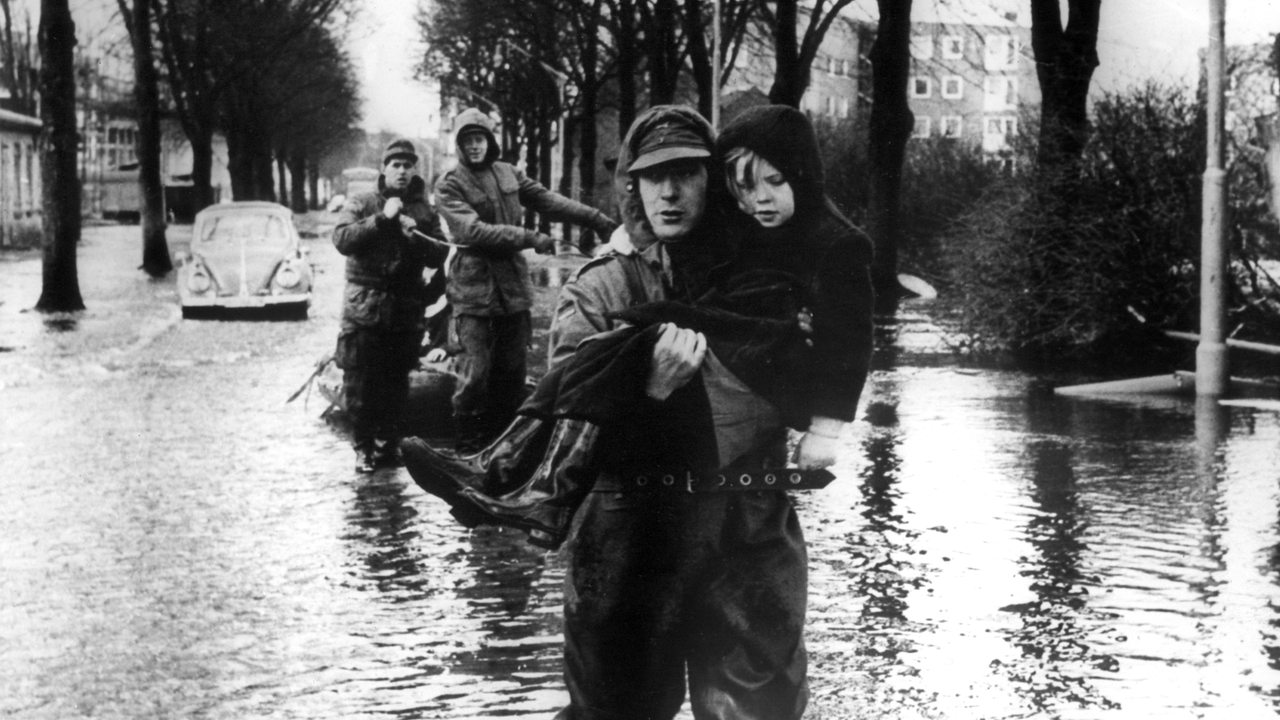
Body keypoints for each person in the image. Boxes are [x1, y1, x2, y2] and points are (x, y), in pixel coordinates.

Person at [402, 104, 874, 553]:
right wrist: (650, 391)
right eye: (652, 177)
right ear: (634, 187)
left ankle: (515, 477)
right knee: (616, 348)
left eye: (687, 174)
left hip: (746, 539)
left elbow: (818, 361)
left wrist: (817, 396)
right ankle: (507, 471)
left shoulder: (749, 254)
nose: (669, 193)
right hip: (632, 543)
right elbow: (576, 407)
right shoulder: (603, 283)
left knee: (632, 338)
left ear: (712, 185)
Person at [434, 108, 618, 452]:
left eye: (480, 139)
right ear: (459, 146)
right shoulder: (449, 185)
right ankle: (468, 446)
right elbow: (472, 230)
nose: (475, 147)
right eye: (467, 141)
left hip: (512, 290)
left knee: (512, 372)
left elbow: (548, 201)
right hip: (473, 290)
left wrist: (596, 219)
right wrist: (528, 237)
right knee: (474, 375)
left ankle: (503, 447)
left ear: (490, 141)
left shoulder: (509, 173)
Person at [333, 138, 450, 474]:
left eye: (407, 165)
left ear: (414, 170)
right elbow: (341, 239)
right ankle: (363, 448)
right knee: (361, 383)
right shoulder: (362, 201)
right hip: (364, 309)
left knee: (396, 383)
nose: (402, 171)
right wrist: (381, 221)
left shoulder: (424, 210)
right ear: (384, 169)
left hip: (404, 310)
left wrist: (416, 236)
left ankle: (387, 445)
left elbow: (441, 251)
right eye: (395, 165)